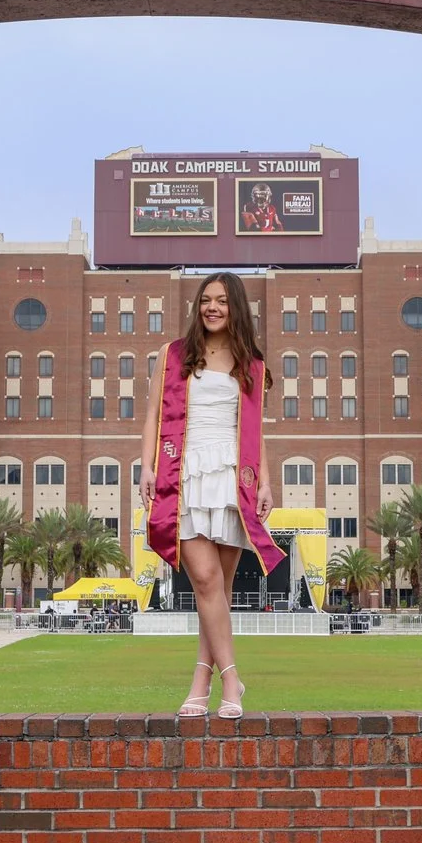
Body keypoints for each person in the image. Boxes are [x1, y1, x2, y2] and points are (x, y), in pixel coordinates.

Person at [140, 271, 284, 717]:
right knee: (203, 579)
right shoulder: (173, 355)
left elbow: (256, 430)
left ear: (235, 307)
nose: (213, 307)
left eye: (222, 300)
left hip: (231, 477)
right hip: (183, 470)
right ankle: (232, 680)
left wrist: (265, 480)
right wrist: (145, 466)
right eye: (206, 299)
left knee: (214, 590)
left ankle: (200, 682)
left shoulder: (252, 366)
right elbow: (152, 416)